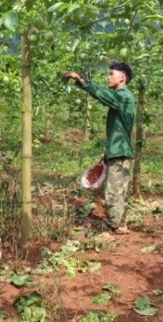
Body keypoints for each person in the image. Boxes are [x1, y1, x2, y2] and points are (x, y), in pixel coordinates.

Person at [62, 63, 135, 235]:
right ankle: (121, 224)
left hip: (120, 152)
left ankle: (112, 228)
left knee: (113, 192)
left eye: (112, 74)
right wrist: (107, 153)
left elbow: (104, 95)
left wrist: (82, 81)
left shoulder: (123, 96)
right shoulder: (122, 98)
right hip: (118, 151)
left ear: (122, 78)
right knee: (119, 190)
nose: (108, 77)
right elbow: (118, 132)